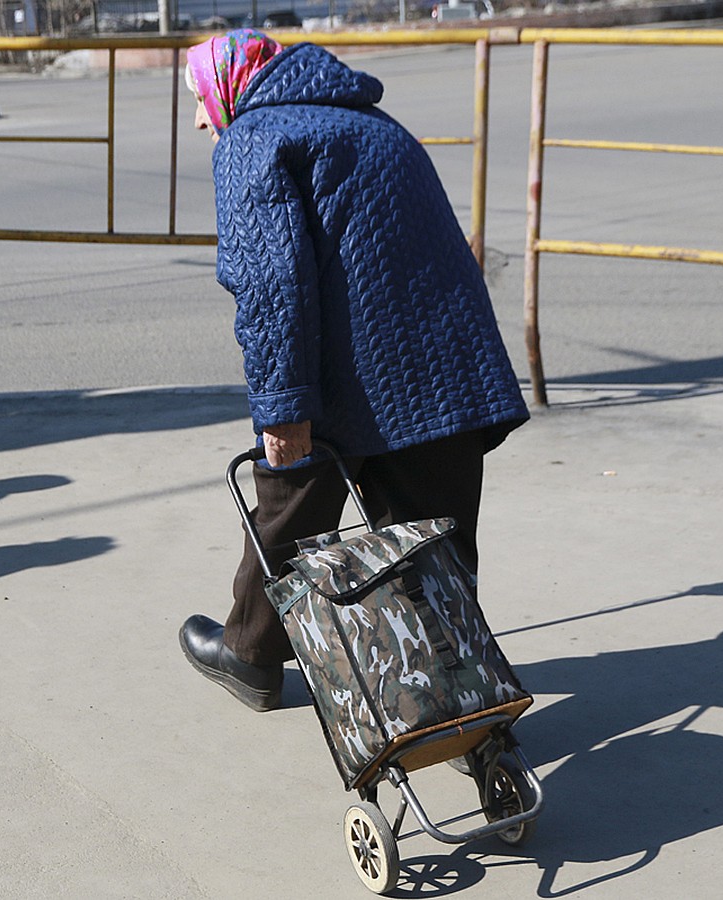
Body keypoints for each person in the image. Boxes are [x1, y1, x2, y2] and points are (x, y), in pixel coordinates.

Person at [178, 30, 529, 712]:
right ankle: (463, 706)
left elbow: (271, 284)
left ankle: (250, 655)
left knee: (288, 506)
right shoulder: (373, 122)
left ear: (233, 84)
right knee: (438, 557)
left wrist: (282, 407)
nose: (199, 117)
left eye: (198, 98)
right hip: (446, 377)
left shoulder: (253, 137)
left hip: (347, 384)